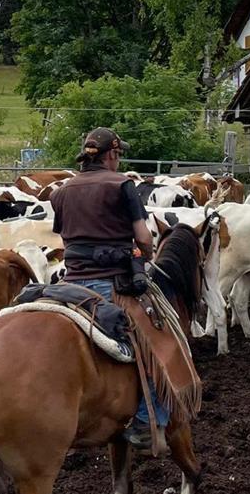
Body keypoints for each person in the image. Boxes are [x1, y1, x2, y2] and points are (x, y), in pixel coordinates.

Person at [50, 127, 166, 448]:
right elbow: (143, 238)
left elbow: (65, 237)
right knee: (157, 345)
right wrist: (146, 257)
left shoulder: (61, 192)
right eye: (119, 154)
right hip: (111, 282)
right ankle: (146, 420)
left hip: (68, 285)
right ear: (112, 154)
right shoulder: (122, 185)